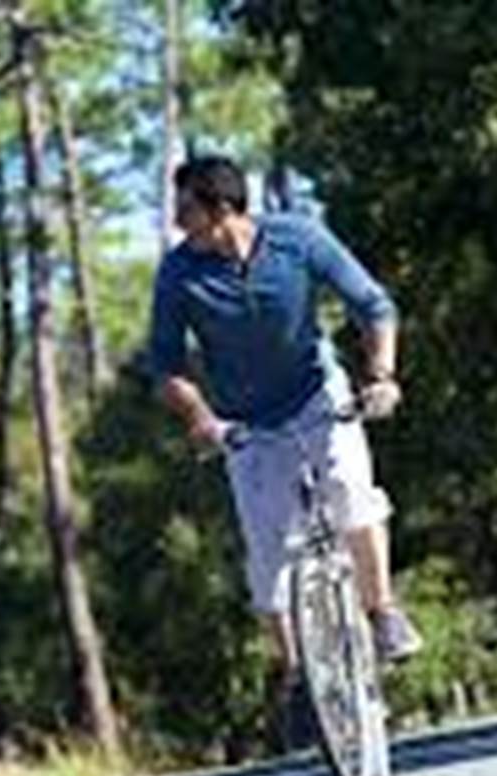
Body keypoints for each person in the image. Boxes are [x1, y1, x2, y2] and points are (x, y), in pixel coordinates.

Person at [148, 155, 423, 744]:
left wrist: (381, 374)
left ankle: (381, 612)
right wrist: (200, 418)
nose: (177, 221)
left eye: (186, 208)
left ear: (220, 208)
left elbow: (373, 305)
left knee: (351, 491)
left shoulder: (297, 238)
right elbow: (165, 365)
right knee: (268, 559)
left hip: (316, 395)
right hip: (246, 422)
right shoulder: (179, 274)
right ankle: (298, 674)